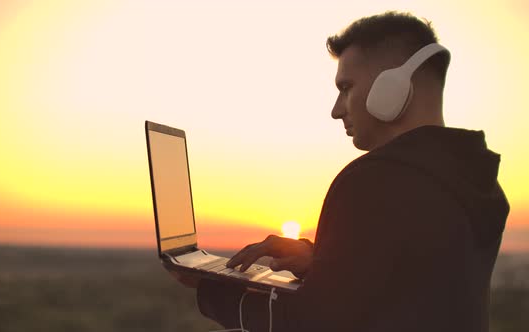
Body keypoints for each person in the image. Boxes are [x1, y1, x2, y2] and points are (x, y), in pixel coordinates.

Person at [170, 11, 510, 332]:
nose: (336, 110)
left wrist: (209, 290)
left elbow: (312, 324)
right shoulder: (475, 180)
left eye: (346, 88)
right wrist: (323, 261)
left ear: (392, 88)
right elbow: (414, 290)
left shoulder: (373, 179)